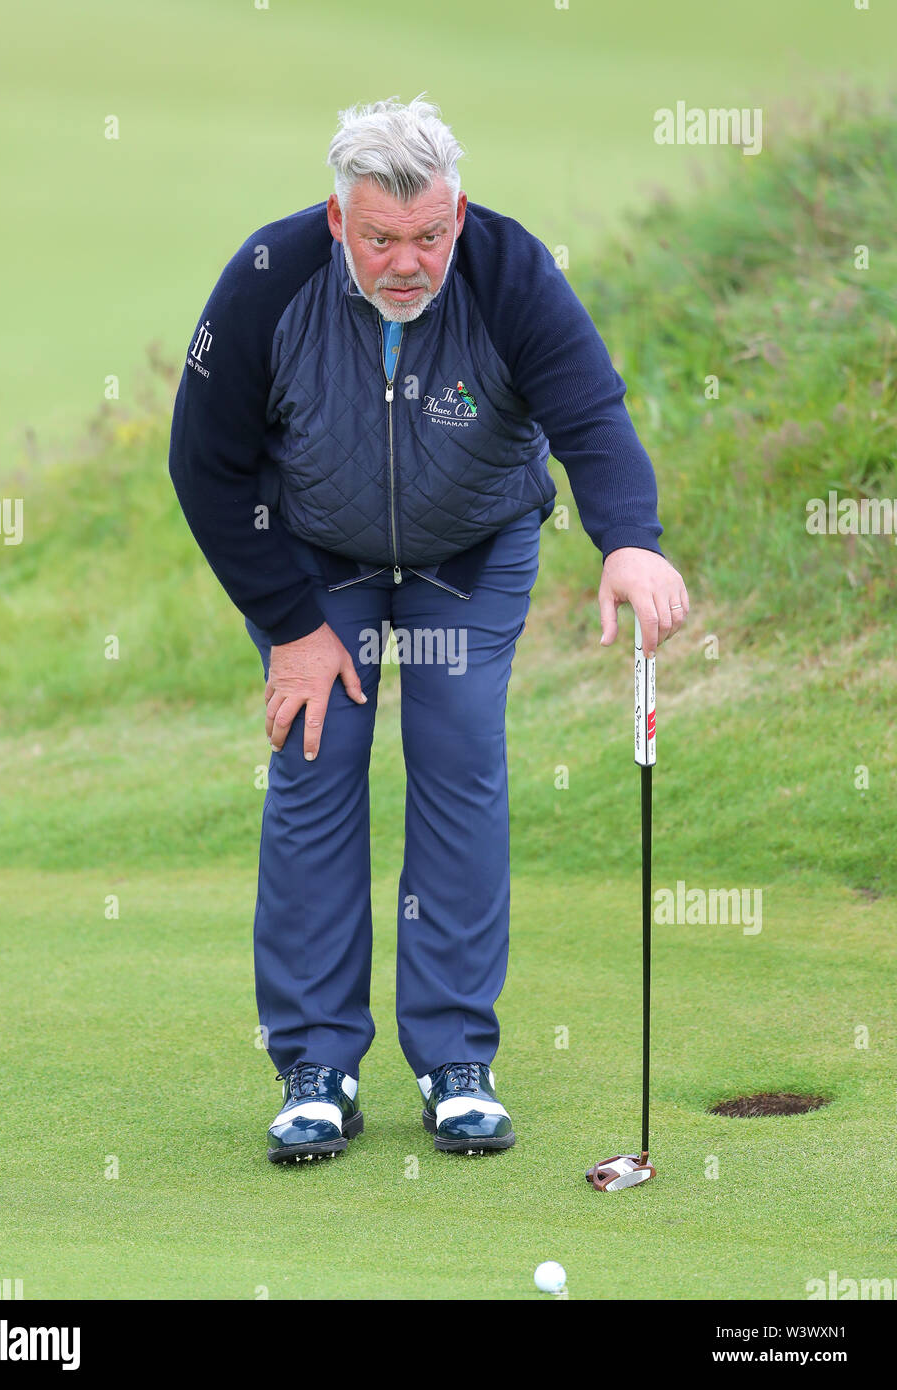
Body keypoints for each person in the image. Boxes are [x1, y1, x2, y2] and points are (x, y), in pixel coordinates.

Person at [168, 95, 688, 1165]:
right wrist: (289, 624)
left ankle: (456, 1061)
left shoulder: (509, 270)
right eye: (380, 238)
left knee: (456, 753)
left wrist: (627, 540)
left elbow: (590, 417)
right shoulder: (269, 279)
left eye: (428, 235)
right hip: (319, 557)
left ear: (456, 214)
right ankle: (316, 1065)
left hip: (472, 550)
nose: (407, 262)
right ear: (336, 220)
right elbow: (205, 465)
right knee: (316, 757)